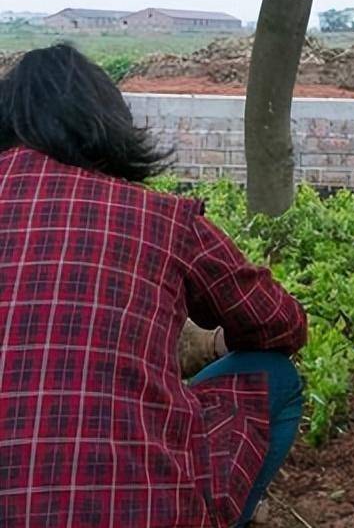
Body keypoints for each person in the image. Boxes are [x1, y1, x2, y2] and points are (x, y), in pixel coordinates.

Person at [0, 45, 307, 528]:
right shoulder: (159, 217)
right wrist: (212, 343)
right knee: (275, 376)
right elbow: (281, 324)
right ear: (109, 124)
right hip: (139, 511)